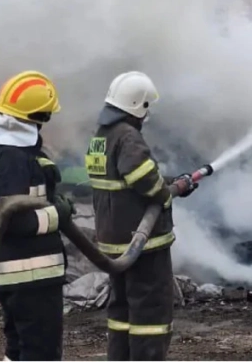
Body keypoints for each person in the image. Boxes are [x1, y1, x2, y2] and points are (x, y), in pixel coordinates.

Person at [85, 71, 198, 361]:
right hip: (142, 244)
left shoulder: (101, 136)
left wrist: (174, 182)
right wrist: (169, 191)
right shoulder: (128, 136)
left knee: (121, 311)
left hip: (114, 241)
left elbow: (124, 180)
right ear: (139, 105)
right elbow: (145, 182)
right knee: (150, 313)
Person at [0, 70, 76, 361]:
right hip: (31, 274)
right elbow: (12, 218)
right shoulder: (13, 159)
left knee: (19, 349)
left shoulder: (1, 150)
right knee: (40, 353)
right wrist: (58, 213)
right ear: (38, 117)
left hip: (17, 273)